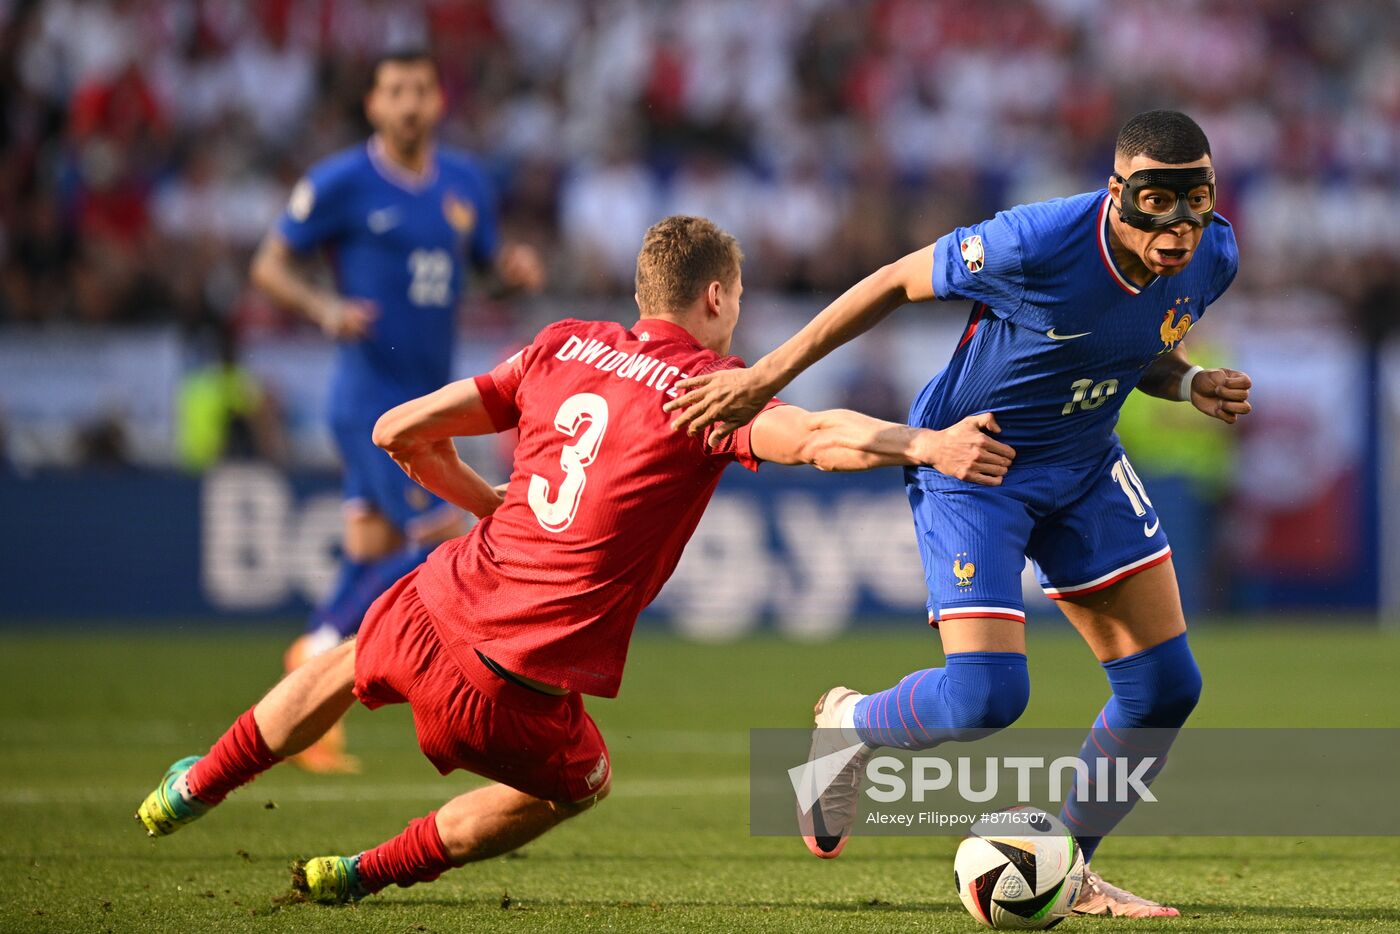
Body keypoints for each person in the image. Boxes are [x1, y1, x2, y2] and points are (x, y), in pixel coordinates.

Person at [135, 215, 989, 904]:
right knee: (579, 786)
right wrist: (928, 445)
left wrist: (487, 505)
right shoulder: (707, 391)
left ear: (641, 293)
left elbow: (399, 431)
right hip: (512, 687)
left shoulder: (559, 345)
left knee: (349, 661)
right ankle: (366, 871)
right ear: (718, 296)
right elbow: (814, 437)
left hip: (435, 600)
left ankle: (196, 784)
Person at [665, 111, 1253, 918]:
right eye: (1158, 199)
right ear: (1118, 193)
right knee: (986, 699)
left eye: (1198, 199)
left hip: (1084, 463)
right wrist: (764, 379)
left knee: (1163, 689)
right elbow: (890, 283)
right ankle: (849, 724)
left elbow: (1127, 342)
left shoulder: (1213, 255)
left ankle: (1067, 867)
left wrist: (1186, 382)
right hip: (974, 463)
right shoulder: (1034, 241)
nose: (1181, 224)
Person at [249, 49, 544, 772]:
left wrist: (512, 275)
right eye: (394, 91)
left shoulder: (466, 182)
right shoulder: (341, 181)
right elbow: (268, 265)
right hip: (369, 403)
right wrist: (324, 308)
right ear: (374, 105)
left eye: (420, 89)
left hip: (428, 400)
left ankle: (309, 679)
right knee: (437, 539)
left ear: (438, 100)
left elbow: (485, 270)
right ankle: (318, 661)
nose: (409, 102)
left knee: (375, 554)